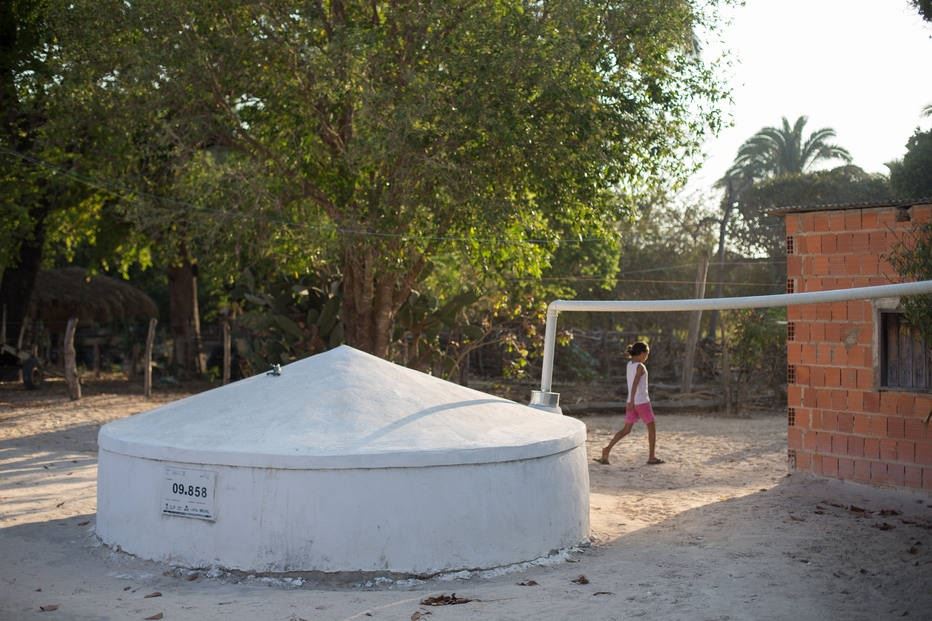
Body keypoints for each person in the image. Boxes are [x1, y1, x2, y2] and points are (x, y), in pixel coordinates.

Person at [595, 341, 664, 465]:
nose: (647, 357)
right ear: (642, 353)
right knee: (652, 429)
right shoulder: (640, 366)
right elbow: (635, 384)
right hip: (642, 402)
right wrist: (632, 400)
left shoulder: (629, 364)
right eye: (647, 354)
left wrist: (630, 401)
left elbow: (632, 384)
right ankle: (652, 457)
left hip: (631, 403)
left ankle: (606, 450)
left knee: (626, 430)